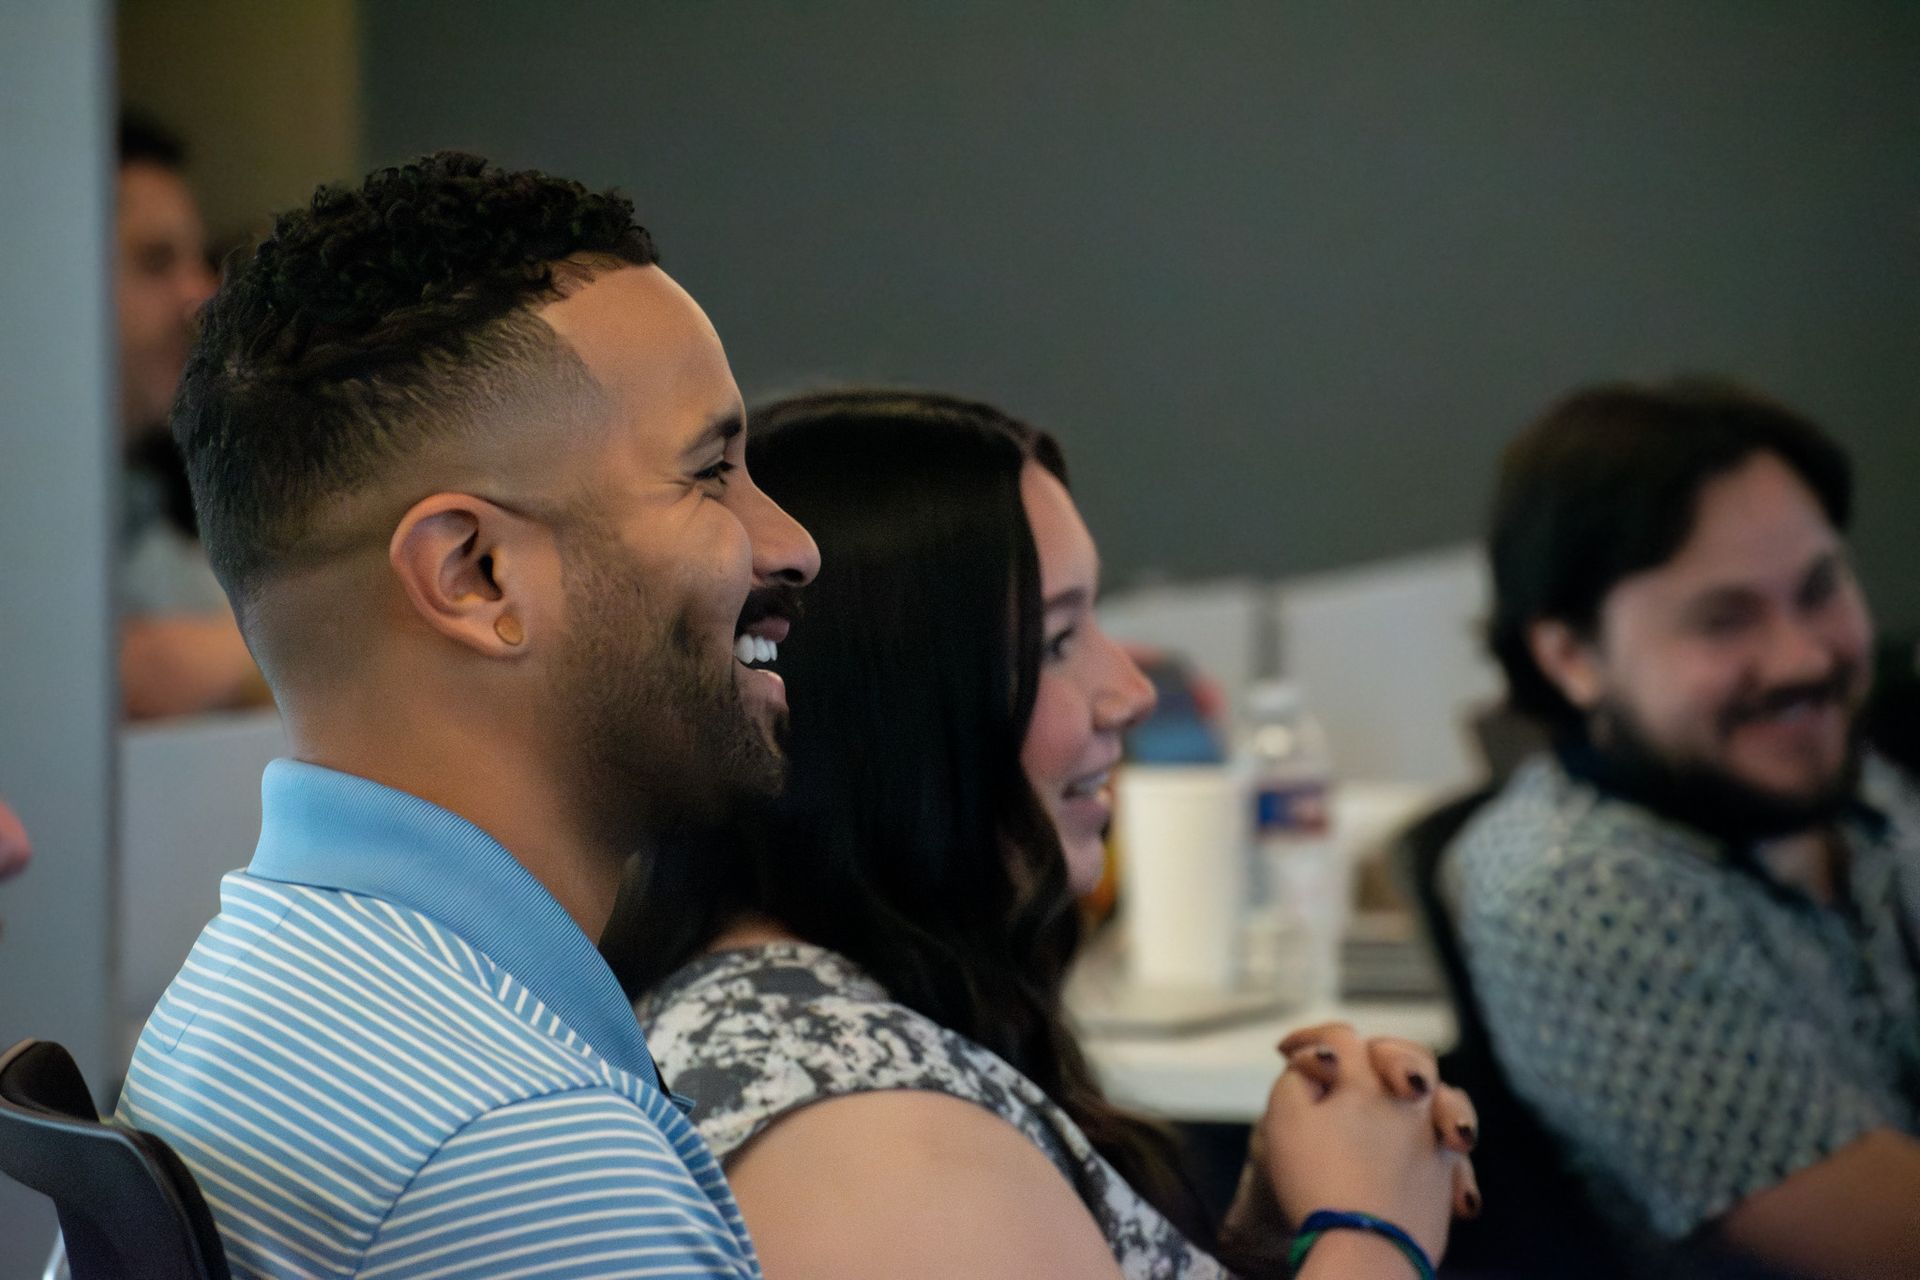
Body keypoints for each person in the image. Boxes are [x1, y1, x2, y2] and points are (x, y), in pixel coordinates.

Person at [117, 152, 819, 1278]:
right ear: (475, 572)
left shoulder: (240, 997)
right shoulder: (526, 1151)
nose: (791, 541)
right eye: (710, 473)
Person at [612, 390, 1478, 1279]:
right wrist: (1372, 1235)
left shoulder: (803, 1034)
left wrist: (1266, 1240)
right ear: (898, 712)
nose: (1132, 693)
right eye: (1059, 640)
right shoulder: (879, 1143)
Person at [1444, 380, 1920, 1277]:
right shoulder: (1581, 890)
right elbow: (1886, 1242)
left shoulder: (1840, 784)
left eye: (1820, 589)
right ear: (1571, 657)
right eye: (1724, 618)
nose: (1805, 657)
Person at [115, 111, 264, 719]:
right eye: (155, 261)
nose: (200, 295)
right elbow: (140, 671)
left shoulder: (140, 513)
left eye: (195, 259)